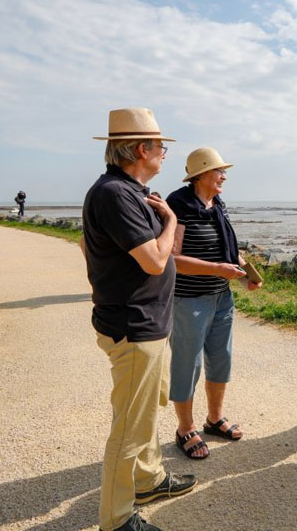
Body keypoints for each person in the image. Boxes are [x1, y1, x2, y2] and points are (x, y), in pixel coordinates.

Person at [83, 108, 196, 531]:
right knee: (129, 428)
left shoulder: (129, 191)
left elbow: (87, 246)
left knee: (146, 411)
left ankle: (149, 480)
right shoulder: (114, 193)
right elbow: (153, 260)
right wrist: (171, 220)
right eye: (161, 146)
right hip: (134, 326)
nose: (165, 153)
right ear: (142, 149)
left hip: (147, 323)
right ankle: (115, 519)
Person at [166, 147, 262, 460]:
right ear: (202, 174)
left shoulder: (218, 205)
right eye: (219, 171)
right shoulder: (179, 205)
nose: (224, 177)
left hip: (222, 297)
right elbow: (172, 259)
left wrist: (245, 273)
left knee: (221, 359)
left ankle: (214, 419)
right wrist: (217, 269)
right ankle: (185, 428)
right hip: (188, 300)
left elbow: (228, 249)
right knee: (188, 363)